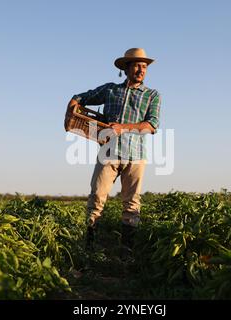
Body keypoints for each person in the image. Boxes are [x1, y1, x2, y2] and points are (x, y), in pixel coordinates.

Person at [66, 48, 161, 253]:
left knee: (132, 204)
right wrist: (74, 101)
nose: (141, 70)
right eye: (136, 65)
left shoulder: (152, 95)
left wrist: (123, 127)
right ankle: (89, 250)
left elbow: (152, 125)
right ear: (126, 68)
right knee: (97, 198)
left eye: (144, 67)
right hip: (108, 152)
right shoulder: (110, 90)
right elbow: (85, 96)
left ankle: (127, 254)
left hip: (136, 155)